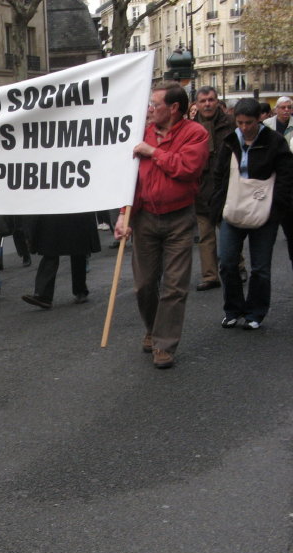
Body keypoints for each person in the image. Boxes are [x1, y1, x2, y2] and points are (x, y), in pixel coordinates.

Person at [114, 81, 209, 369]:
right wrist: (123, 214)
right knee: (143, 285)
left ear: (174, 108)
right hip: (144, 218)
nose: (150, 109)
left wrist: (153, 153)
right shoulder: (142, 134)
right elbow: (130, 180)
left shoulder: (196, 133)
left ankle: (164, 345)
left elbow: (188, 169)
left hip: (179, 217)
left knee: (174, 286)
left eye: (155, 105)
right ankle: (153, 329)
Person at [210, 98, 293, 330]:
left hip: (264, 212)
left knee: (260, 267)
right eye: (240, 123)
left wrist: (275, 209)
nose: (244, 128)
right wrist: (218, 205)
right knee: (227, 262)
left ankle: (256, 312)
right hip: (233, 208)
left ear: (259, 119)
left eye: (249, 123)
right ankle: (233, 309)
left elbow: (286, 177)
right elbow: (219, 175)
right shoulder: (230, 141)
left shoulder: (275, 142)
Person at [192, 86, 234, 291]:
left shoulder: (230, 124)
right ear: (197, 104)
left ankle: (237, 267)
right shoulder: (190, 127)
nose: (207, 104)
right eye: (203, 101)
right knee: (205, 235)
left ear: (217, 101)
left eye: (211, 99)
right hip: (200, 189)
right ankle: (210, 275)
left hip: (226, 186)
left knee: (229, 231)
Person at [21, 212, 101, 309]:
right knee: (51, 248)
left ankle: (80, 290)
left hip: (74, 208)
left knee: (77, 247)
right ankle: (43, 295)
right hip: (56, 208)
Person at [264, 97, 293, 273]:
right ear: (276, 109)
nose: (286, 110)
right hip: (270, 179)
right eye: (282, 107)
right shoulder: (267, 125)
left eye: (289, 107)